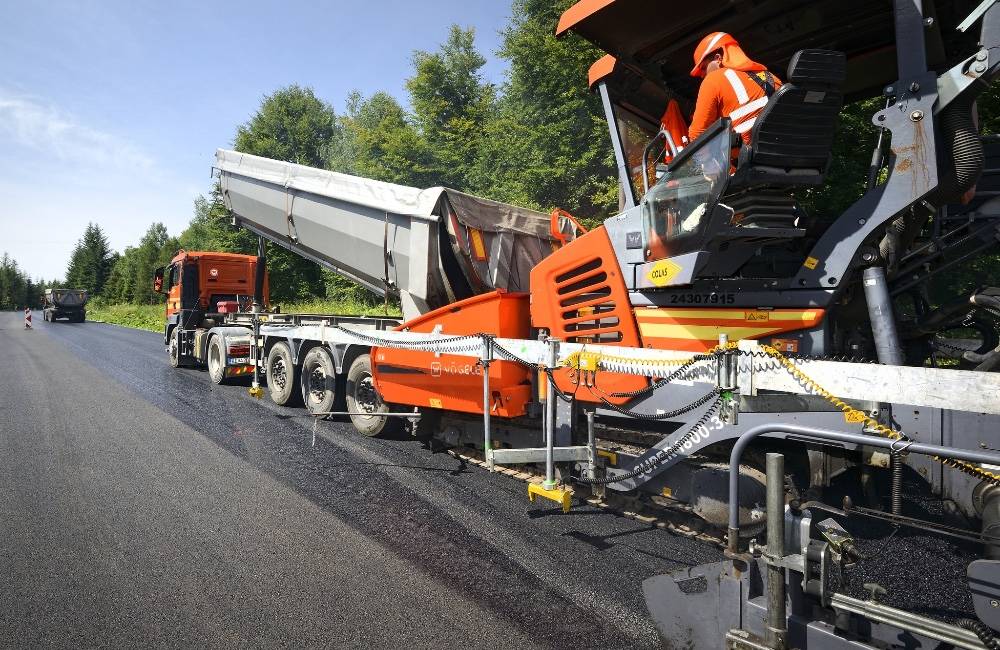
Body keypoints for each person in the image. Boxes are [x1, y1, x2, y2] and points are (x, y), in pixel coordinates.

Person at [687, 32, 781, 146]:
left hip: (752, 159)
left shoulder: (713, 79)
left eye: (703, 68)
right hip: (790, 150)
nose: (702, 75)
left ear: (718, 58)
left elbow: (696, 136)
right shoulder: (770, 76)